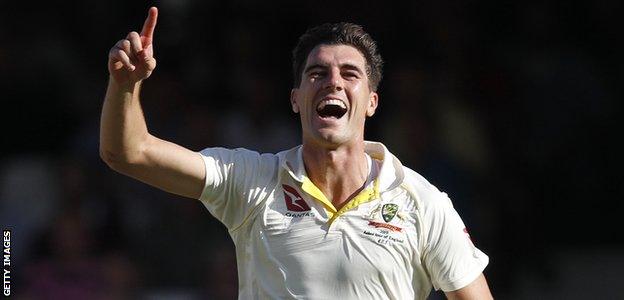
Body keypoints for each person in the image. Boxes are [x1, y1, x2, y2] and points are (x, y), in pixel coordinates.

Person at [100, 7, 493, 299]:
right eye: (317, 74)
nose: (333, 83)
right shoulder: (251, 181)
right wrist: (125, 85)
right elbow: (129, 152)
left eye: (350, 74)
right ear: (295, 99)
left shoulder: (422, 202)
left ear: (371, 102)